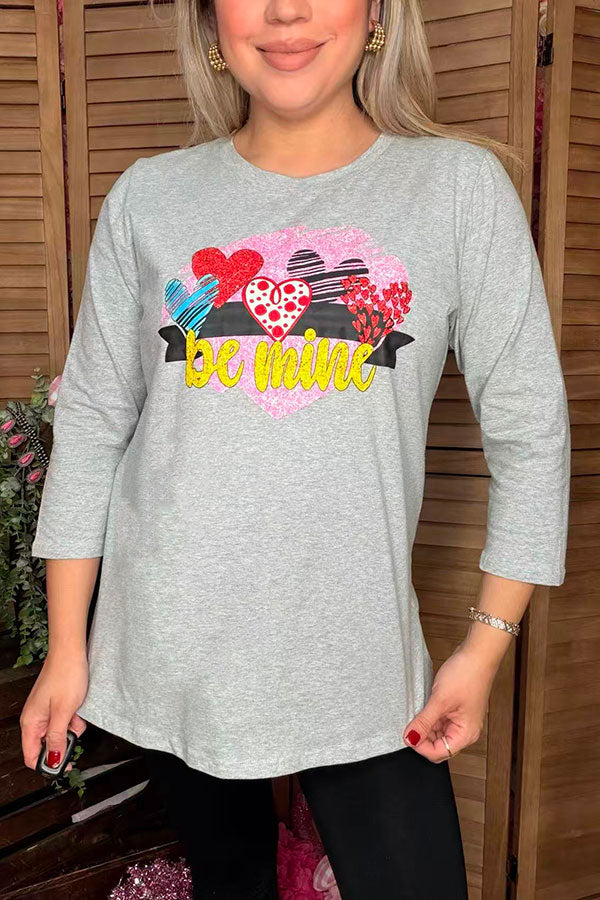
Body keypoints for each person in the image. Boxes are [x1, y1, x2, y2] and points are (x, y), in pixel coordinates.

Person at [20, 0, 571, 897]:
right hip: (176, 648)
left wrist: (485, 647)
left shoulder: (456, 190)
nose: (285, 10)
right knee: (229, 884)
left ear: (377, 12)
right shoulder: (150, 198)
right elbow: (91, 423)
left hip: (360, 664)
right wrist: (67, 647)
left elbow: (532, 431)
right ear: (210, 21)